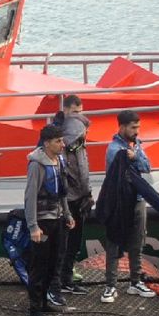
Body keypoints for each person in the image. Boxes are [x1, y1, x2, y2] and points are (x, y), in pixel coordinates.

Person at [100, 110, 154, 303]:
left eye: (138, 127)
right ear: (122, 127)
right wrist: (134, 159)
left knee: (137, 242)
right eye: (133, 127)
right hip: (120, 202)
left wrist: (136, 157)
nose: (136, 131)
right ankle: (110, 285)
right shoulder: (114, 149)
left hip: (138, 200)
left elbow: (147, 166)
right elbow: (125, 171)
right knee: (114, 242)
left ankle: (135, 281)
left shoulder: (136, 145)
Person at [23, 124, 75, 316]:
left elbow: (62, 192)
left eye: (62, 140)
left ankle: (44, 301)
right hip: (43, 223)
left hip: (58, 220)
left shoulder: (60, 161)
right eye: (58, 141)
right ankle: (35, 307)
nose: (62, 144)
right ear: (47, 143)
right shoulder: (37, 165)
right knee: (39, 265)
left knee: (54, 263)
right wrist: (33, 226)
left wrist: (68, 214)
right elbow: (30, 197)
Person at [53, 95, 92, 296]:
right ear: (66, 110)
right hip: (67, 199)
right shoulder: (59, 140)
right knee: (64, 243)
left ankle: (66, 279)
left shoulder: (78, 140)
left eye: (80, 112)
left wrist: (88, 193)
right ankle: (59, 282)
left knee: (74, 243)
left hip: (80, 196)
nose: (78, 117)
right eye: (74, 112)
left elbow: (83, 167)